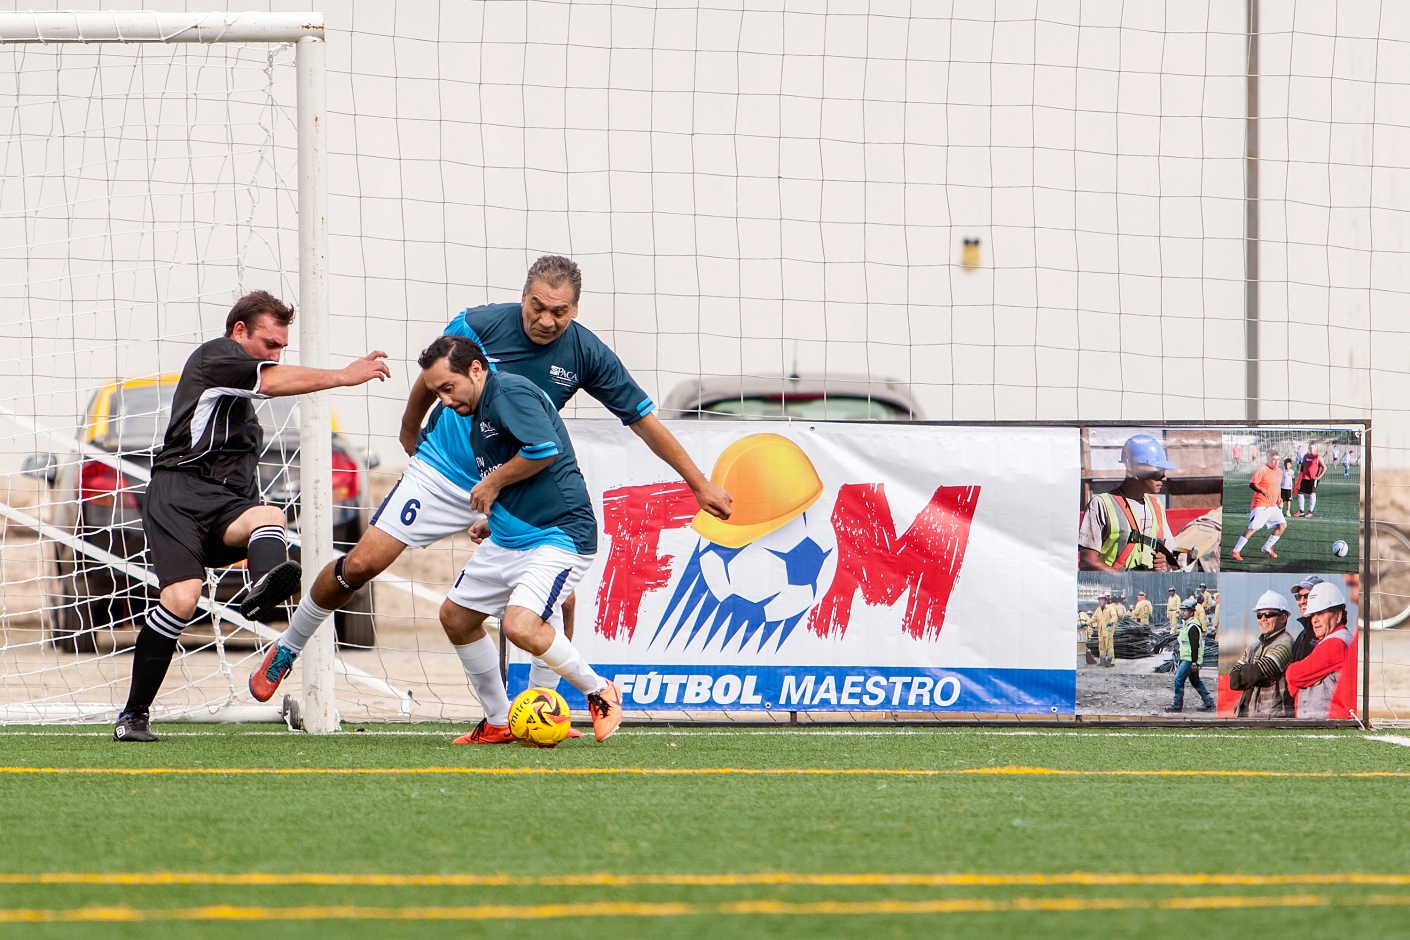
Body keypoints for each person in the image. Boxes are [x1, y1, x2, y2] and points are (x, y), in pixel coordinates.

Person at [252, 256, 733, 720]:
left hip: (509, 483)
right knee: (361, 564)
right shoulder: (478, 324)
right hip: (442, 468)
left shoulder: (587, 355)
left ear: (576, 310)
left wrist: (699, 484)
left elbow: (643, 421)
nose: (545, 320)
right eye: (537, 307)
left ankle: (538, 706)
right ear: (522, 297)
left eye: (559, 312)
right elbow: (433, 372)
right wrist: (408, 426)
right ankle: (288, 647)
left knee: (560, 595)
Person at [113, 292, 391, 742]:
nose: (275, 354)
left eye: (281, 347)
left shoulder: (245, 421)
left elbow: (246, 490)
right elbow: (272, 381)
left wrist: (254, 546)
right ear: (239, 332)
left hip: (223, 505)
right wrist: (344, 375)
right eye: (269, 343)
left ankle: (264, 588)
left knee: (269, 515)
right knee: (183, 600)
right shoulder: (214, 356)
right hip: (177, 496)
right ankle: (133, 716)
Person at [420, 336, 623, 740]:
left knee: (521, 625)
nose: (444, 399)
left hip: (558, 535)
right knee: (456, 617)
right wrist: (496, 520)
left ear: (475, 370)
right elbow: (523, 470)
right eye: (436, 392)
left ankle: (600, 692)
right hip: (513, 538)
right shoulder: (477, 411)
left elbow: (543, 449)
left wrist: (491, 485)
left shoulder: (507, 391)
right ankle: (498, 720)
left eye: (448, 387)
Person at [1078, 435, 1176, 571]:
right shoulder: (1101, 504)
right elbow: (1087, 560)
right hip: (1113, 590)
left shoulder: (1156, 506)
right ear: (1136, 472)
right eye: (1158, 472)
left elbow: (1172, 555)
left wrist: (1165, 564)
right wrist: (1123, 581)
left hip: (1147, 589)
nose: (1164, 478)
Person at [1285, 581, 1358, 719]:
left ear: (1338, 615)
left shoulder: (1336, 643)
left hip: (1329, 723)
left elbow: (1295, 674)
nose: (1315, 620)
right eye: (1313, 615)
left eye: (1320, 613)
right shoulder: (1332, 639)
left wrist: (1293, 675)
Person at [1229, 590, 1295, 718]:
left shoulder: (1286, 643)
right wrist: (1252, 674)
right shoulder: (1253, 648)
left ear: (1283, 618)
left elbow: (1259, 673)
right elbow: (1234, 680)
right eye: (1259, 615)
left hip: (1272, 718)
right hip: (1248, 715)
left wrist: (1248, 672)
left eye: (1269, 614)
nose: (1263, 619)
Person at [1229, 451, 1287, 562]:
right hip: (1261, 504)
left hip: (1273, 505)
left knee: (1282, 525)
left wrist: (1280, 498)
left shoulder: (1279, 472)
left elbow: (1277, 486)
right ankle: (1236, 550)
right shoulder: (1262, 470)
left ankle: (1267, 547)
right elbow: (1253, 484)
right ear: (1268, 459)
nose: (1276, 462)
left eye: (1278, 459)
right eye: (1274, 459)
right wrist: (1263, 491)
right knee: (1252, 529)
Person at [1164, 597, 1216, 712]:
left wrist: (1194, 662)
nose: (1182, 612)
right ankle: (1209, 702)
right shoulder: (1188, 625)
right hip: (1189, 658)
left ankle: (1177, 705)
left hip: (1189, 659)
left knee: (1178, 679)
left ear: (1192, 612)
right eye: (1182, 610)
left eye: (1185, 610)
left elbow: (1195, 646)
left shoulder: (1192, 626)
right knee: (1195, 681)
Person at [1288, 575, 1325, 664]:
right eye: (1299, 597)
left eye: (1307, 596)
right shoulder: (1302, 635)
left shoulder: (1325, 633)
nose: (1301, 601)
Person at [1293, 442, 1326, 517]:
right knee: (1300, 493)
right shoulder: (1306, 456)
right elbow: (1303, 465)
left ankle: (1310, 512)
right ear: (1308, 448)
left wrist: (1318, 477)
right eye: (1310, 448)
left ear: (1315, 448)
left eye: (1313, 448)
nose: (1311, 449)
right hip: (1305, 478)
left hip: (1313, 479)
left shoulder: (1318, 457)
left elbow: (1324, 468)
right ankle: (1301, 511)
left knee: (1312, 493)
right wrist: (1301, 473)